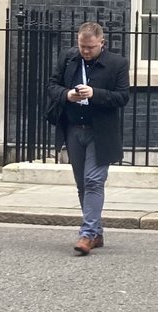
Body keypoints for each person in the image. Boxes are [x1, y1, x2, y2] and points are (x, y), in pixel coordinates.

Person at [46, 22, 130, 256]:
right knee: (82, 184)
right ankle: (96, 233)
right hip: (73, 128)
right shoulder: (68, 59)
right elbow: (52, 86)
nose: (85, 51)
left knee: (93, 181)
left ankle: (87, 233)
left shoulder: (117, 64)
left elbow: (122, 97)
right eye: (82, 46)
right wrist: (67, 95)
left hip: (100, 132)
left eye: (90, 47)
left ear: (101, 43)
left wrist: (95, 94)